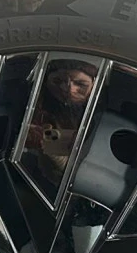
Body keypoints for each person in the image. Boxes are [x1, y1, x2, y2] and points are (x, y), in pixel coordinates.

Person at [23, 59, 98, 194]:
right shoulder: (37, 103)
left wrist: (58, 155)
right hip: (40, 180)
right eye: (57, 81)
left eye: (80, 84)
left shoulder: (98, 115)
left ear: (94, 85)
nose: (67, 89)